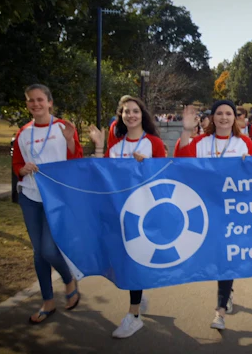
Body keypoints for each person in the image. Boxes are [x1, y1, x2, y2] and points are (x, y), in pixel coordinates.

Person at [174, 100, 252, 331]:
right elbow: (181, 163)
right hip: (204, 209)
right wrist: (186, 131)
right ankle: (227, 292)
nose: (223, 117)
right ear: (212, 117)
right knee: (211, 256)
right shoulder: (201, 142)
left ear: (235, 118)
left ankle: (219, 311)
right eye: (219, 113)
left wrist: (248, 167)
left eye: (228, 113)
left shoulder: (244, 143)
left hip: (232, 212)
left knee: (226, 257)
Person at [89, 96, 166, 338]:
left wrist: (148, 166)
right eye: (126, 112)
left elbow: (164, 177)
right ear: (120, 116)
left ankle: (133, 316)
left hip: (144, 212)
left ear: (142, 115)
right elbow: (100, 175)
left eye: (135, 111)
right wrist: (100, 146)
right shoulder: (115, 146)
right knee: (125, 258)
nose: (131, 115)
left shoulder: (153, 143)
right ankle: (139, 295)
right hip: (118, 211)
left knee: (134, 258)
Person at [12, 84, 82, 324]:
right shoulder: (23, 132)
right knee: (38, 252)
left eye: (40, 99)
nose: (36, 104)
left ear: (50, 102)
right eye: (31, 100)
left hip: (57, 198)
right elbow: (17, 166)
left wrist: (71, 140)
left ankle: (68, 278)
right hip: (30, 196)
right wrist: (24, 169)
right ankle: (47, 302)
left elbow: (76, 161)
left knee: (48, 249)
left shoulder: (63, 127)